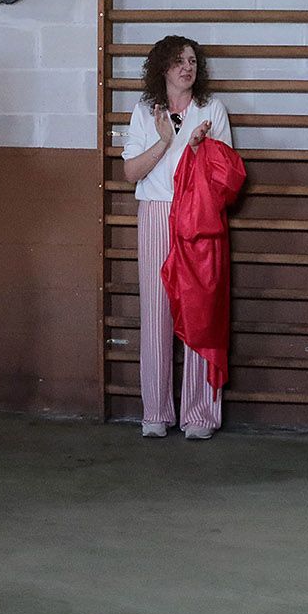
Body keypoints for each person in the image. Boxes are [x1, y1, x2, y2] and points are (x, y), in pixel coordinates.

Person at [121, 35, 233, 440]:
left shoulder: (212, 109)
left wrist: (200, 148)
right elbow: (131, 172)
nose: (187, 67)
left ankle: (199, 414)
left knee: (200, 311)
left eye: (192, 61)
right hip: (156, 211)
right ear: (162, 68)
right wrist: (165, 141)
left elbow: (226, 174)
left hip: (198, 216)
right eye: (179, 61)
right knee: (156, 313)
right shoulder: (144, 111)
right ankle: (156, 411)